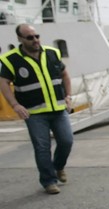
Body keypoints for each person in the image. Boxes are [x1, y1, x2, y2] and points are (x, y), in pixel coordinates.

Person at [0, 24, 73, 195]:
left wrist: (68, 96)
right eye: (30, 37)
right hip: (33, 113)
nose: (35, 40)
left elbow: (65, 75)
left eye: (36, 36)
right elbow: (3, 82)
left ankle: (58, 167)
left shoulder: (51, 53)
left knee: (66, 141)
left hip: (58, 109)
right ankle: (49, 181)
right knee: (42, 147)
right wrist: (15, 105)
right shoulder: (11, 59)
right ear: (20, 39)